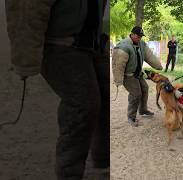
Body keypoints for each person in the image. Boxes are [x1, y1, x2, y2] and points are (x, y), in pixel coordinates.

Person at [5, 0, 109, 180]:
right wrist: (25, 59)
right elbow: (25, 8)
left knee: (106, 97)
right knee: (83, 104)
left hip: (92, 42)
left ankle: (103, 164)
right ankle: (69, 174)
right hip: (58, 45)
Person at [112, 26, 163, 127]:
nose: (139, 38)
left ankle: (143, 110)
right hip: (128, 76)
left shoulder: (141, 44)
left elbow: (149, 56)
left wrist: (158, 66)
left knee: (145, 88)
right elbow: (118, 65)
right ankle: (131, 117)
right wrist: (118, 80)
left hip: (138, 74)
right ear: (132, 34)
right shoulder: (123, 46)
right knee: (136, 94)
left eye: (141, 36)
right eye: (138, 36)